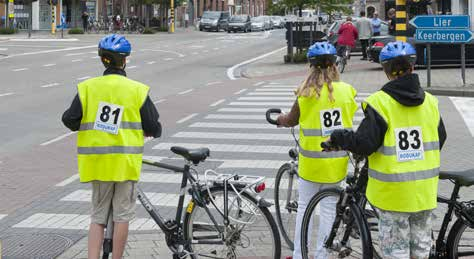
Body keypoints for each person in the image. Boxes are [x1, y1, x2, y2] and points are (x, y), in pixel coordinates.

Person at [326, 41, 447, 259]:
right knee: (420, 252)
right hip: (424, 193)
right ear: (413, 67)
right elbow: (441, 138)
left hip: (393, 196)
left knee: (396, 252)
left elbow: (365, 143)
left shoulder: (380, 103)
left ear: (387, 71)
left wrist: (340, 137)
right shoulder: (430, 101)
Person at [62, 34, 162, 259]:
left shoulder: (88, 88)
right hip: (125, 165)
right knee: (122, 217)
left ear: (102, 60)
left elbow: (70, 119)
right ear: (125, 60)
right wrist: (152, 130)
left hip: (98, 164)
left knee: (97, 218)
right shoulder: (137, 90)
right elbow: (153, 124)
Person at [276, 42, 358, 259]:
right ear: (334, 65)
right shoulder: (348, 91)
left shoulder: (306, 92)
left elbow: (291, 119)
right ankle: (323, 255)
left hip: (311, 164)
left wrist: (279, 119)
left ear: (311, 66)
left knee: (305, 208)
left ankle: (300, 254)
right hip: (336, 163)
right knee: (330, 209)